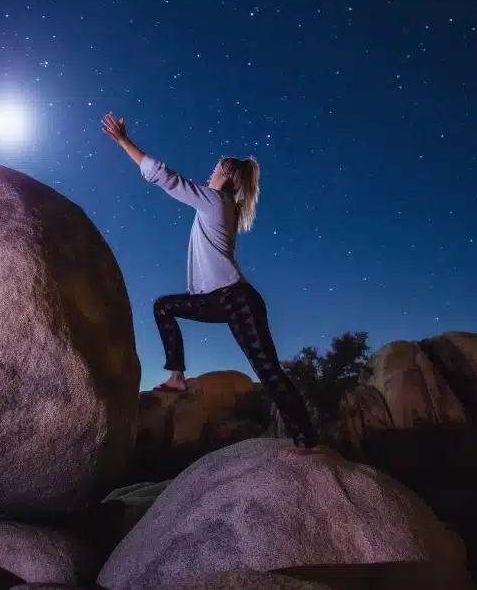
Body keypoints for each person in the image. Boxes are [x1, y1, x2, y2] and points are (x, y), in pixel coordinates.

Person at [101, 112, 318, 448]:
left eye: (215, 170)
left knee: (268, 371)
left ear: (227, 177)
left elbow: (167, 179)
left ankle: (307, 441)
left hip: (237, 300)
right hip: (218, 299)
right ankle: (177, 378)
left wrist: (124, 142)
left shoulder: (216, 200)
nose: (209, 173)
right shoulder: (219, 204)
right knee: (164, 307)